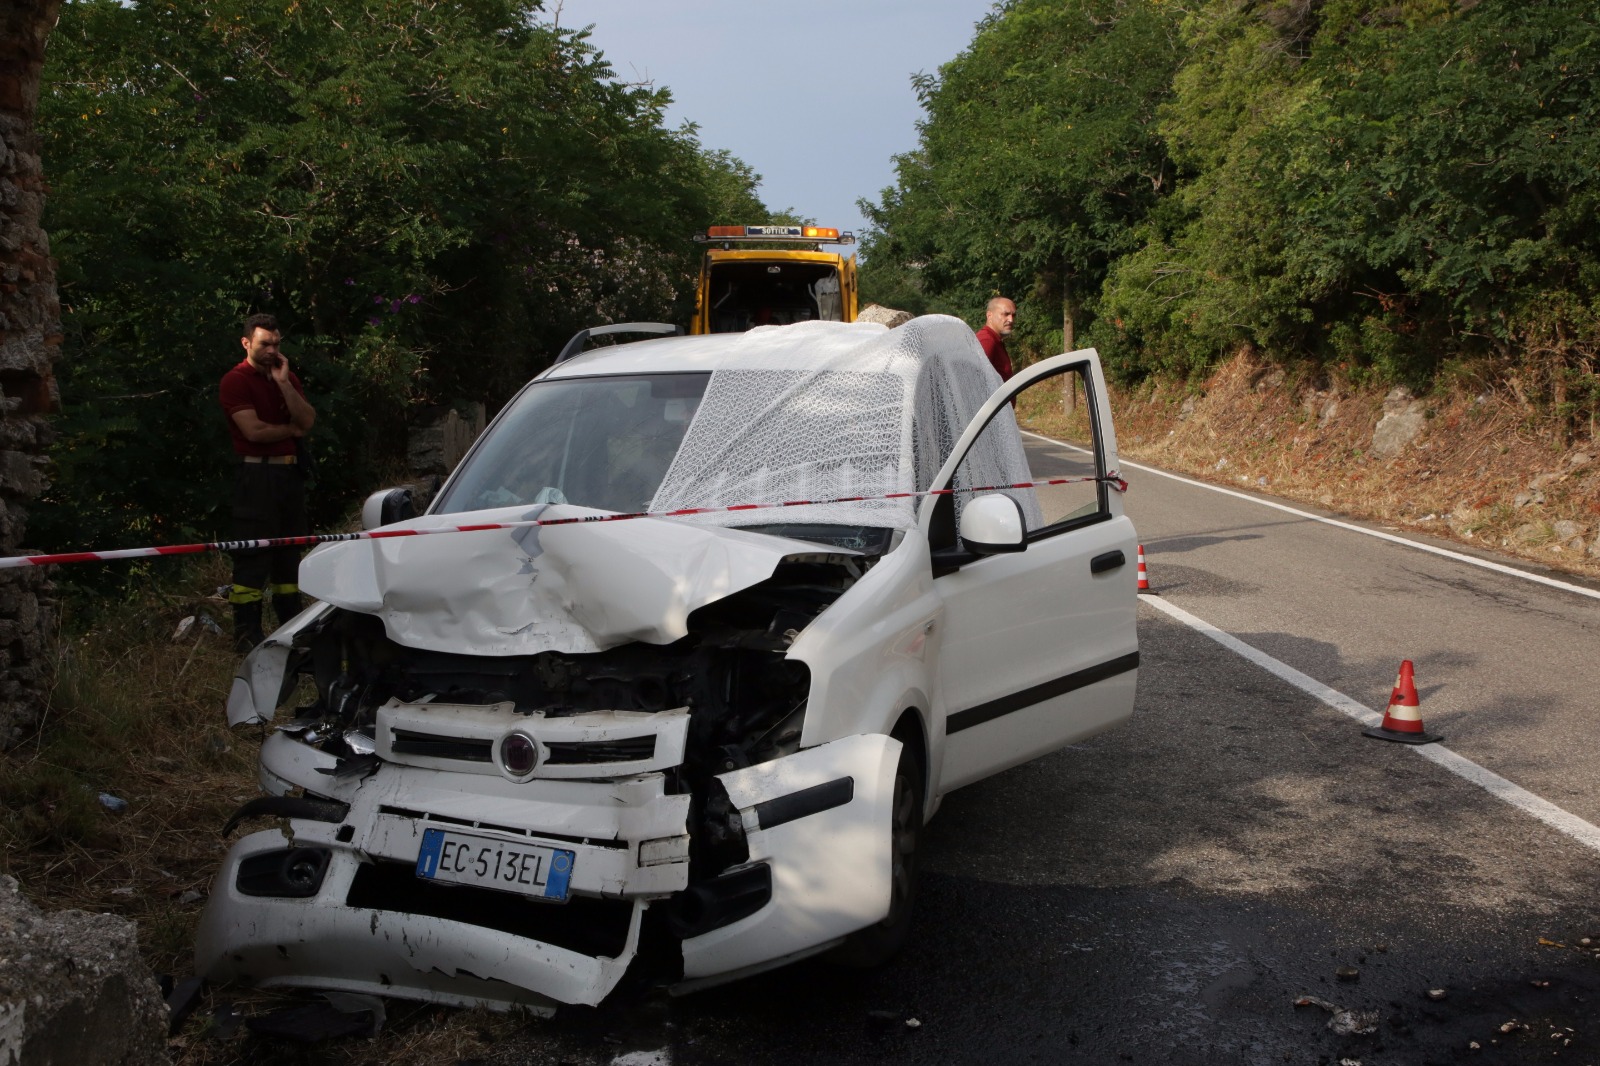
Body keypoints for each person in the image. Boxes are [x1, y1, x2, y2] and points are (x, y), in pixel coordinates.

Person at [219, 313, 316, 650]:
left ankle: (292, 629)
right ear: (246, 343)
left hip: (289, 476)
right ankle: (246, 634)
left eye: (276, 344)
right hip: (256, 475)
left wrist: (285, 383)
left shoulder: (285, 377)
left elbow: (307, 420)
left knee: (289, 555)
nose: (272, 350)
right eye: (264, 344)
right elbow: (254, 431)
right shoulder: (236, 380)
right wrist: (291, 430)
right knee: (253, 555)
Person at [975, 296, 1015, 381]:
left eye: (1013, 315)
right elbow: (975, 379)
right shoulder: (986, 340)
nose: (1011, 320)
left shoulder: (995, 339)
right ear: (989, 316)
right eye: (1006, 314)